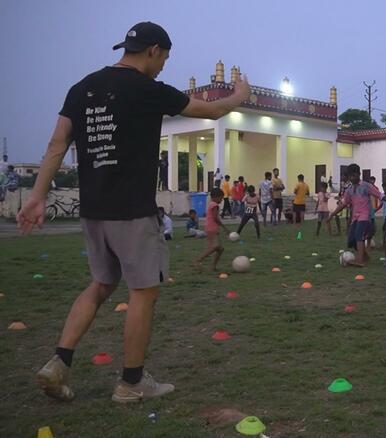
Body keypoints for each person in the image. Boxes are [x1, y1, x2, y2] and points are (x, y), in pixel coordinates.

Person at [16, 21, 249, 403]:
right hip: (132, 213)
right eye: (164, 59)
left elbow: (57, 143)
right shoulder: (148, 90)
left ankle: (58, 362)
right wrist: (240, 95)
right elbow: (213, 110)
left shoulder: (81, 88)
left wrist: (38, 196)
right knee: (143, 292)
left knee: (100, 284)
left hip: (93, 211)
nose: (163, 67)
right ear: (154, 51)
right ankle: (131, 382)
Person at [327, 164, 386, 266]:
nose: (352, 178)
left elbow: (380, 195)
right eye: (350, 176)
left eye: (354, 175)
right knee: (351, 241)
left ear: (359, 174)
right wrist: (332, 215)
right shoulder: (349, 190)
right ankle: (365, 256)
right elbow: (343, 204)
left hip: (365, 217)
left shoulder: (366, 186)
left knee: (359, 235)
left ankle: (360, 261)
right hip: (355, 218)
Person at [195, 188, 231, 270]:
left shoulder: (211, 204)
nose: (221, 200)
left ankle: (213, 266)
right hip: (212, 228)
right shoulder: (215, 205)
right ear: (215, 197)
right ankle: (199, 260)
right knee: (214, 247)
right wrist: (224, 227)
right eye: (221, 198)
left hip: (210, 228)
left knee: (220, 249)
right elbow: (215, 218)